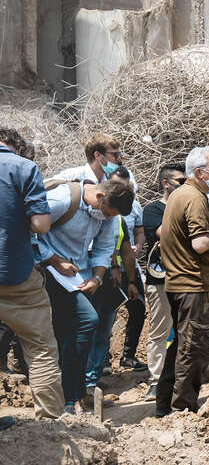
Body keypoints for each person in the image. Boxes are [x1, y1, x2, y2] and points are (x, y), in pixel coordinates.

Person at [36, 176, 133, 414]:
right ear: (100, 196)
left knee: (74, 334)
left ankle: (75, 395)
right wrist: (54, 259)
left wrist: (97, 278)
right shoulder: (62, 199)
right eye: (107, 213)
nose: (107, 217)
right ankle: (68, 397)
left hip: (78, 278)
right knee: (85, 320)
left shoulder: (106, 214)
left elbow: (104, 246)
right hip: (48, 273)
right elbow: (27, 230)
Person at [156, 147, 209, 416]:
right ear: (199, 173)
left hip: (179, 282)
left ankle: (165, 405)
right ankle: (183, 409)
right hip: (193, 285)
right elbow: (199, 244)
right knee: (194, 351)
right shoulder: (195, 198)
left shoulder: (179, 195)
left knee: (180, 346)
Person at [0, 128, 65, 428]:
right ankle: (49, 424)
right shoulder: (24, 168)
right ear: (17, 148)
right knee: (40, 347)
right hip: (16, 274)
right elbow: (41, 224)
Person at [82, 166, 144, 401]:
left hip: (109, 282)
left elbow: (125, 250)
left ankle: (91, 381)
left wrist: (131, 281)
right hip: (85, 277)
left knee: (102, 330)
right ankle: (76, 381)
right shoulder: (87, 213)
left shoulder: (116, 219)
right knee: (84, 328)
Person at [141, 162, 185, 401]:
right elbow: (165, 233)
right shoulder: (153, 210)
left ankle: (185, 375)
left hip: (186, 276)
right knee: (160, 330)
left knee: (187, 328)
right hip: (160, 278)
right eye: (180, 181)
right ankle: (156, 379)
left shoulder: (188, 205)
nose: (185, 185)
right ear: (165, 183)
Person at [109, 165, 147, 371]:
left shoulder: (135, 206)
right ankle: (103, 360)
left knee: (138, 308)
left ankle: (128, 355)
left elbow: (139, 232)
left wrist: (138, 246)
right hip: (108, 268)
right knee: (107, 313)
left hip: (129, 265)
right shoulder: (104, 207)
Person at [55, 132, 125, 184]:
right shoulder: (71, 177)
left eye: (120, 154)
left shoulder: (112, 180)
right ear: (97, 155)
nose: (119, 159)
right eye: (115, 155)